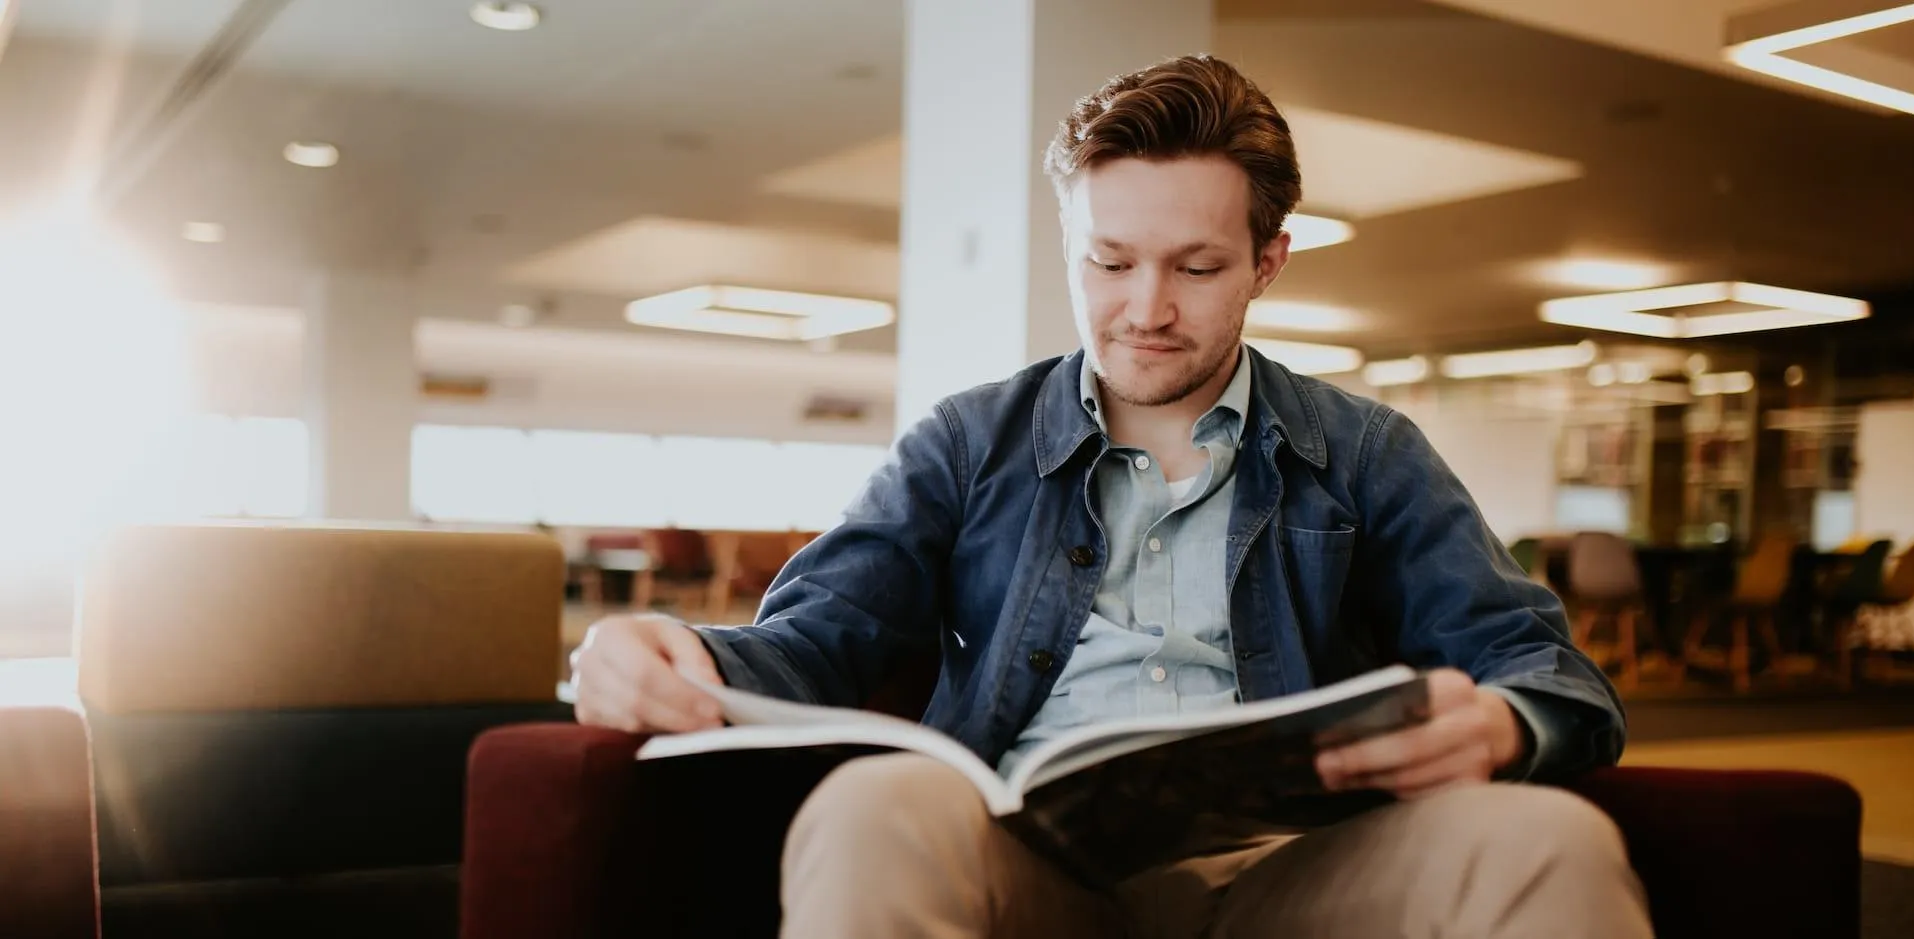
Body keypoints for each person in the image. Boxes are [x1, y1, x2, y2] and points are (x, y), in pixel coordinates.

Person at [571, 54, 1651, 939]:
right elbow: (817, 639)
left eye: (1196, 268)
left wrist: (1505, 728)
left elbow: (1551, 673)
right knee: (872, 808)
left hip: (1300, 877)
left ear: (1267, 263)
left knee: (1550, 841)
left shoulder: (1367, 452)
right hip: (1035, 875)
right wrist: (676, 653)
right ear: (1070, 248)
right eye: (1109, 262)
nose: (1145, 310)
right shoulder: (967, 441)